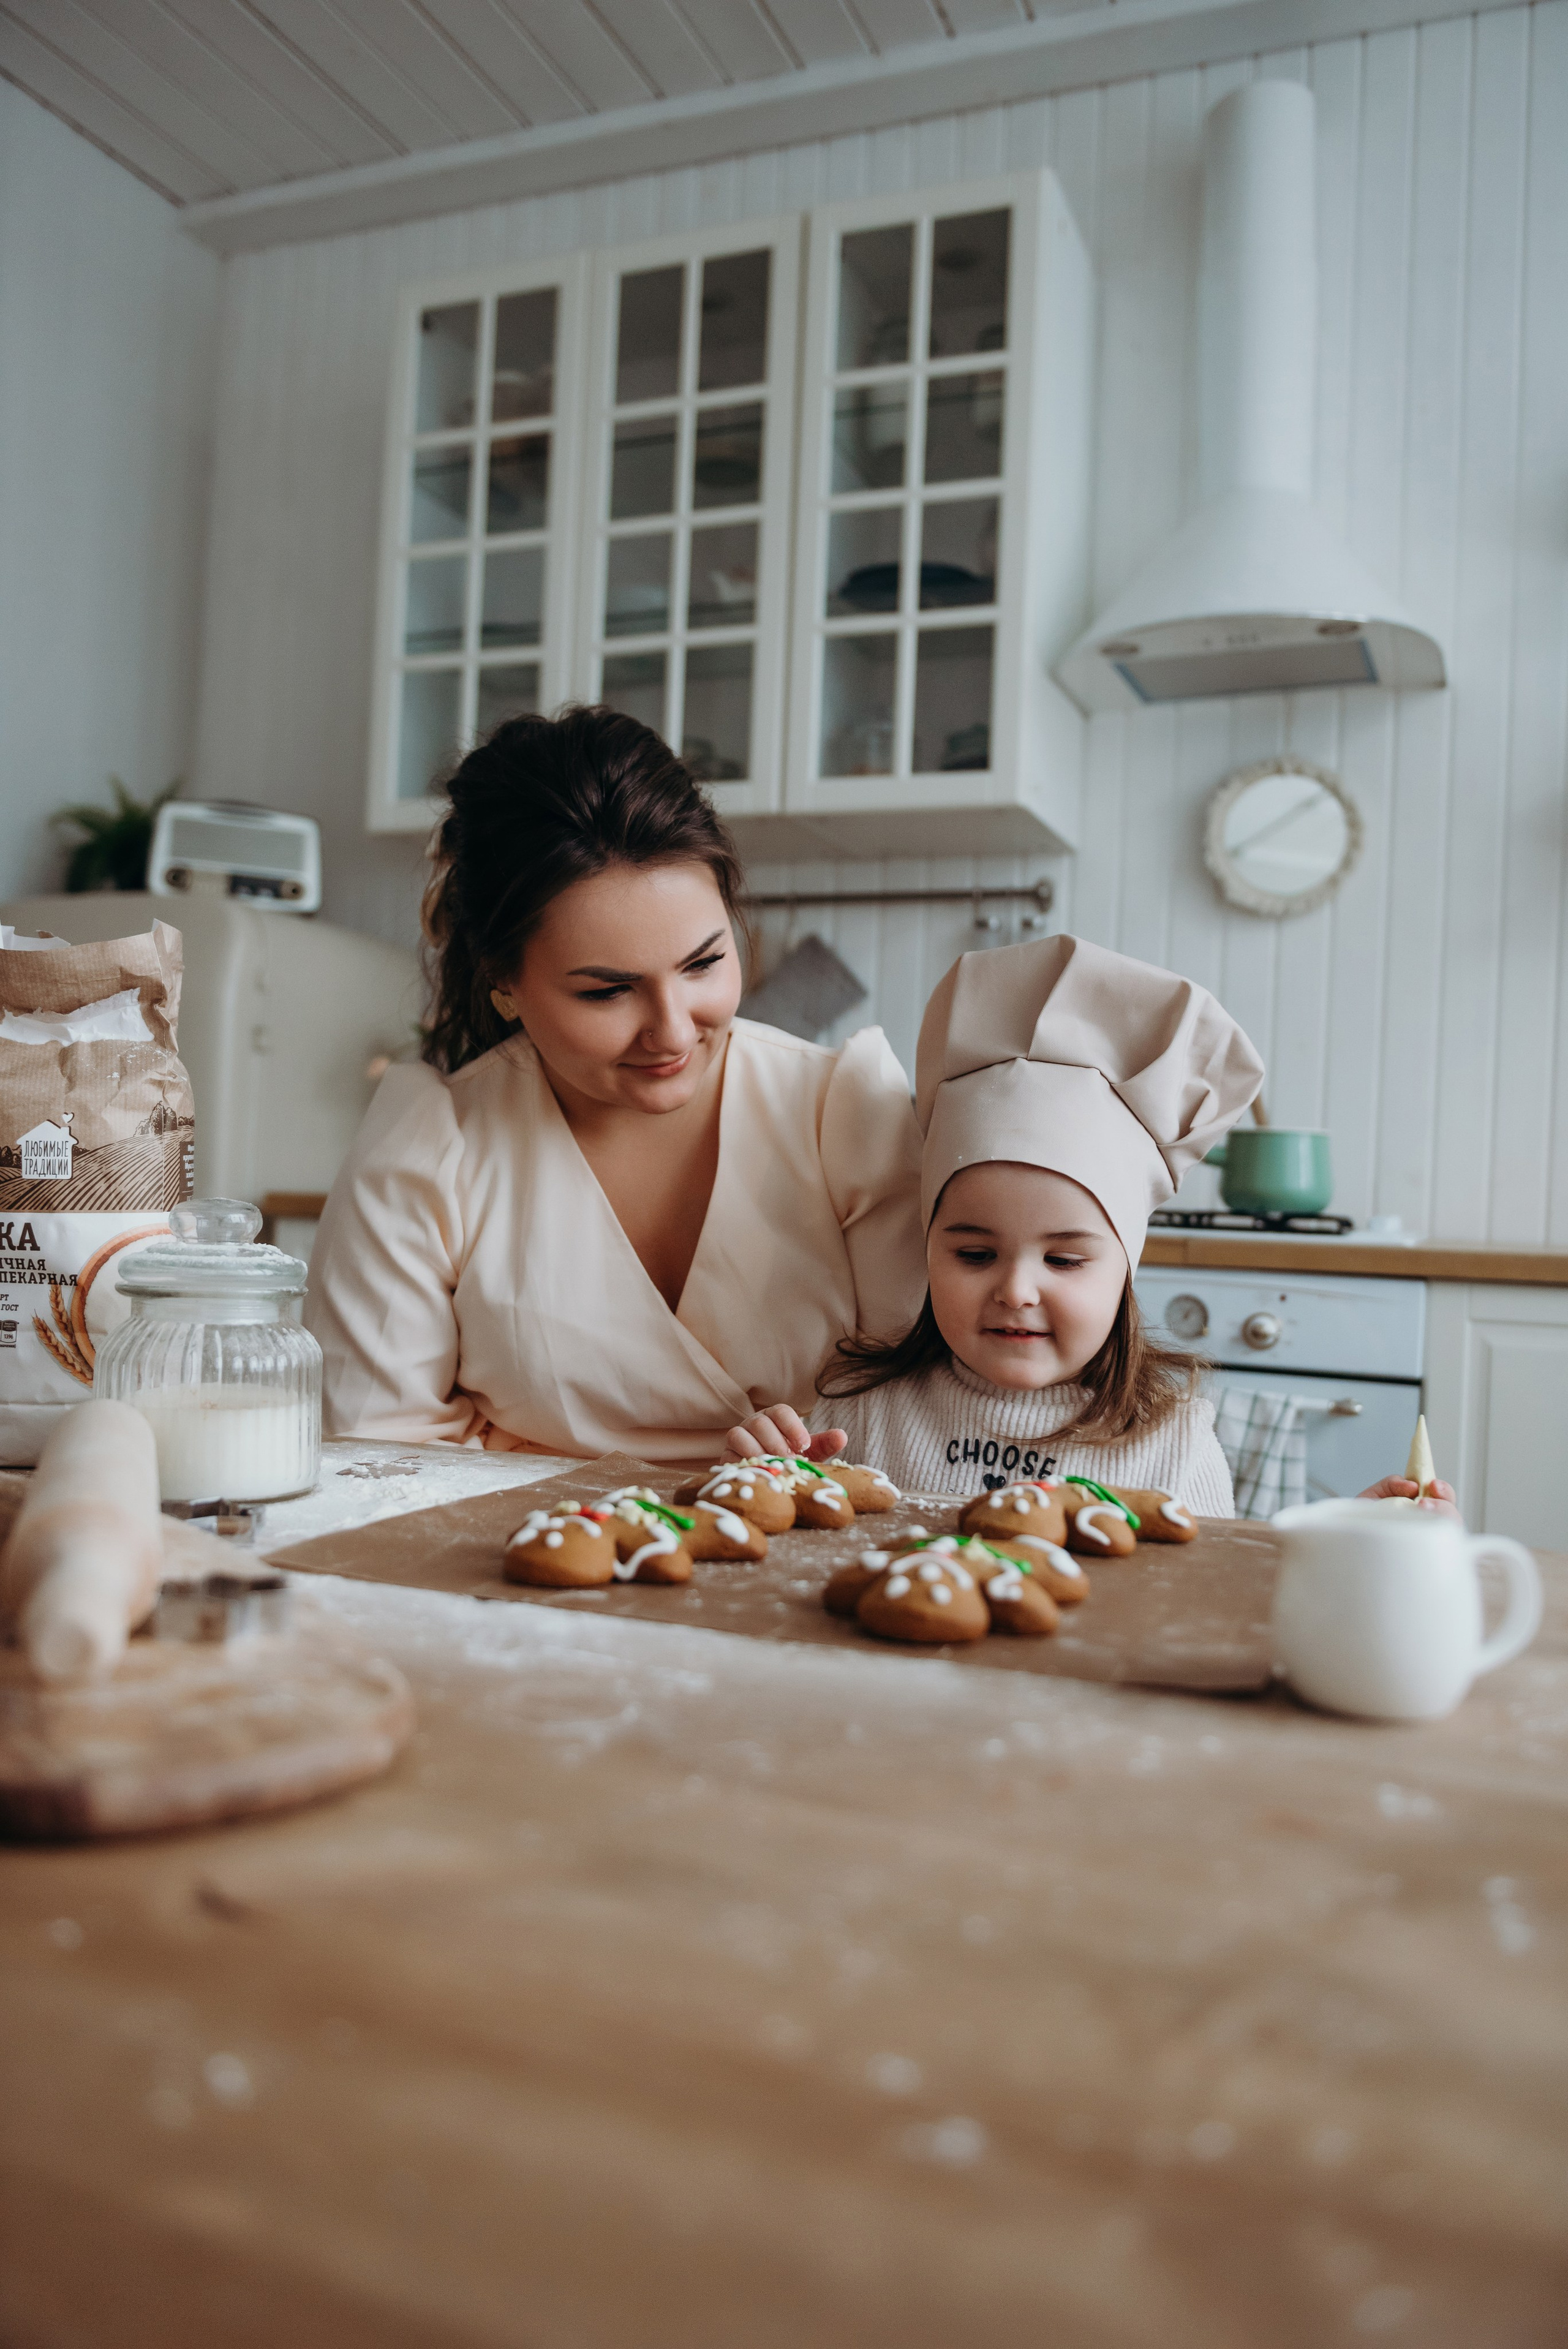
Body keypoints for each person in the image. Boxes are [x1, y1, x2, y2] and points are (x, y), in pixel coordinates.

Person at [306, 708, 924, 1459]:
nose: (670, 1030)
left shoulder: (844, 1111)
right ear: (504, 983)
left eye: (703, 965)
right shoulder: (432, 1147)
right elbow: (377, 1455)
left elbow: (931, 1408)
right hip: (526, 1566)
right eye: (607, 992)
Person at [733, 934, 1462, 1518]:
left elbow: (1212, 1600)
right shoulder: (859, 1409)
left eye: (1064, 1260)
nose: (1016, 1289)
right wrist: (776, 1481)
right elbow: (803, 1558)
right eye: (976, 1251)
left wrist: (1356, 1540)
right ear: (928, 1248)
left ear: (1126, 1270)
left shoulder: (1168, 1444)